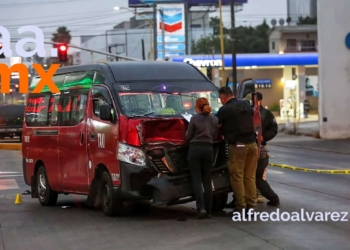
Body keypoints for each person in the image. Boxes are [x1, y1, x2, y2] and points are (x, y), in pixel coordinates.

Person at [216, 87, 258, 215]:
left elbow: (214, 123)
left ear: (223, 97)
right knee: (250, 177)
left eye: (220, 99)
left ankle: (240, 207)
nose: (220, 101)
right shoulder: (245, 104)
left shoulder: (225, 109)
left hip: (238, 146)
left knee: (237, 176)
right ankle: (251, 206)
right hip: (252, 144)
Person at [185, 97, 218, 219]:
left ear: (197, 107)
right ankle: (209, 211)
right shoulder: (214, 119)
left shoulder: (194, 119)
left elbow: (188, 137)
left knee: (197, 180)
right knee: (207, 180)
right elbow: (214, 136)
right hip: (209, 150)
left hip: (195, 150)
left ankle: (201, 208)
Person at [255, 92, 280, 206]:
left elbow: (273, 129)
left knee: (257, 176)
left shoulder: (266, 113)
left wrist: (264, 137)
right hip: (251, 146)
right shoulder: (248, 112)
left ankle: (271, 197)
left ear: (260, 101)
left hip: (260, 147)